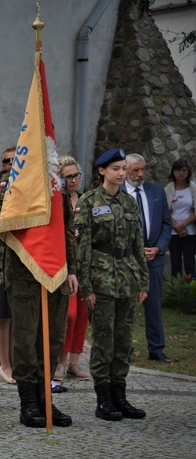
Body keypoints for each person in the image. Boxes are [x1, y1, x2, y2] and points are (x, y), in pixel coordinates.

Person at [0, 154, 78, 428]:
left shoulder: (57, 192)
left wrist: (72, 270)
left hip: (55, 273)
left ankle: (46, 400)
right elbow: (2, 229)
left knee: (53, 338)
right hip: (24, 275)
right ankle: (29, 403)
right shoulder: (14, 189)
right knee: (26, 340)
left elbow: (66, 231)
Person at [75, 148, 149, 421]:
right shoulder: (89, 202)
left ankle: (120, 395)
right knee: (104, 341)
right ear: (102, 171)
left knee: (124, 341)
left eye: (122, 169)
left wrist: (143, 280)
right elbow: (81, 248)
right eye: (115, 169)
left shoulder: (129, 203)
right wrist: (86, 287)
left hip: (127, 278)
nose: (120, 173)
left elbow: (137, 243)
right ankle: (103, 398)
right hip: (101, 280)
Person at [124, 153, 172, 364]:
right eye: (135, 170)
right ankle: (124, 348)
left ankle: (157, 349)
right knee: (126, 306)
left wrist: (159, 248)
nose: (140, 174)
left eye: (142, 169)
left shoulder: (156, 191)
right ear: (125, 171)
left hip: (154, 259)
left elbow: (166, 224)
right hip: (127, 261)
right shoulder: (118, 192)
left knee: (153, 307)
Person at [54, 156, 91, 381]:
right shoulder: (57, 202)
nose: (74, 180)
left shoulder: (86, 200)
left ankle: (74, 363)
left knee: (83, 313)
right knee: (69, 314)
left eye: (76, 175)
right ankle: (60, 361)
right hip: (65, 266)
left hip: (85, 264)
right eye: (68, 177)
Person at [0, 147, 16, 385]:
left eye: (13, 159)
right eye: (5, 160)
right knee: (3, 317)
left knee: (16, 316)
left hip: (21, 261)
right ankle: (5, 364)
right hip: (3, 258)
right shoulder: (1, 186)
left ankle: (13, 362)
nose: (9, 163)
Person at [164, 158, 196, 278]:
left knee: (189, 265)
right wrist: (176, 226)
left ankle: (191, 293)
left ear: (188, 172)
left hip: (190, 232)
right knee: (175, 264)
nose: (181, 173)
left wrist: (182, 226)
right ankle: (176, 294)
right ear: (173, 172)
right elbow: (164, 210)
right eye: (178, 170)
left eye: (184, 170)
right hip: (173, 232)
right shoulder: (168, 189)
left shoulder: (193, 188)